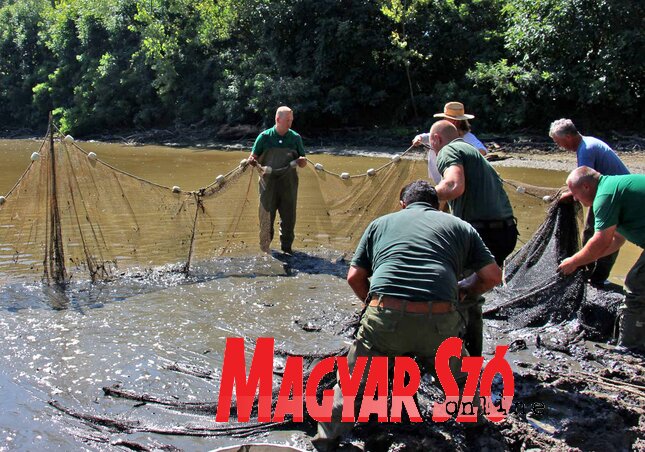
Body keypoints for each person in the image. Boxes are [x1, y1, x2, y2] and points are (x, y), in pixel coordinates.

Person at [312, 180, 501, 451]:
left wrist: (374, 307)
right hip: (439, 324)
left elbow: (354, 277)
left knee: (352, 383)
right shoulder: (460, 226)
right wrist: (465, 289)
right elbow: (492, 276)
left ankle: (326, 441)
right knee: (460, 377)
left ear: (403, 204)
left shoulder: (380, 223)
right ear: (439, 206)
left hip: (384, 322)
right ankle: (477, 429)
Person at [429, 120, 518, 357]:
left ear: (436, 139)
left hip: (483, 232)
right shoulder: (470, 150)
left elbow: (454, 186)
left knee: (460, 293)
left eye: (431, 142)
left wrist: (421, 196)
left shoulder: (447, 150)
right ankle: (469, 358)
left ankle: (462, 362)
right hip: (503, 231)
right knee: (469, 291)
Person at [558, 167, 645, 351]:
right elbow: (616, 240)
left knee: (635, 284)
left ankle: (630, 347)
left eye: (575, 193)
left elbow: (600, 240)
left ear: (587, 187)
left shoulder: (604, 197)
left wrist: (573, 261)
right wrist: (586, 259)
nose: (574, 199)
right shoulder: (613, 188)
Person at [549, 118, 630, 285]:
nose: (559, 146)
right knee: (595, 233)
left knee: (596, 234)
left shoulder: (586, 149)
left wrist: (566, 196)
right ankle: (590, 272)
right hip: (608, 193)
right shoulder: (587, 143)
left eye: (558, 142)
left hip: (613, 197)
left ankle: (596, 277)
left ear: (568, 137)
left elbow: (582, 182)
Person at [248, 106, 307, 254]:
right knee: (266, 219)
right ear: (277, 119)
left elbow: (304, 162)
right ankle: (265, 252)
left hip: (289, 185)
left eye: (291, 120)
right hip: (267, 185)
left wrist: (302, 161)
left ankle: (287, 250)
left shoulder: (295, 138)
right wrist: (251, 160)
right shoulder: (264, 137)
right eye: (287, 120)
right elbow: (253, 157)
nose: (290, 123)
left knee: (289, 219)